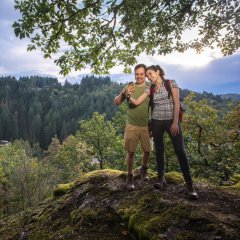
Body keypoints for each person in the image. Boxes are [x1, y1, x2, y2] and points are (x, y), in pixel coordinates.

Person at [128, 65, 198, 200]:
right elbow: (137, 102)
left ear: (158, 71)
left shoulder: (171, 83)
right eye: (147, 75)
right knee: (159, 151)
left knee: (180, 151)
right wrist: (128, 95)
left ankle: (190, 185)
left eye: (150, 74)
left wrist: (175, 123)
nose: (149, 76)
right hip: (156, 123)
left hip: (172, 122)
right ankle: (161, 179)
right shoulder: (151, 88)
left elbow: (177, 103)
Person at [114, 64, 151, 190]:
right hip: (131, 125)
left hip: (146, 125)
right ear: (134, 74)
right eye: (137, 74)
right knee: (131, 152)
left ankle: (143, 169)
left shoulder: (150, 88)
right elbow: (117, 102)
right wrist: (124, 93)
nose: (139, 76)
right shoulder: (130, 87)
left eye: (141, 74)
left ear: (145, 74)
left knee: (147, 150)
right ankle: (130, 176)